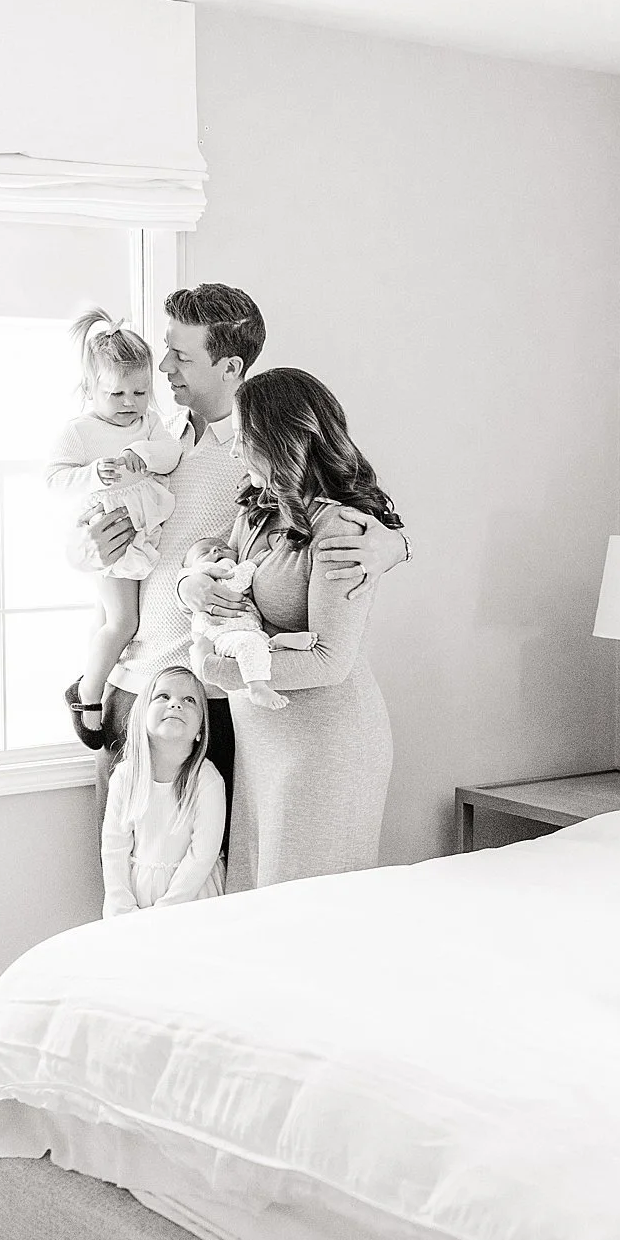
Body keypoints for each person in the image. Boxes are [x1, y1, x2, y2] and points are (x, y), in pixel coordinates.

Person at [67, 284, 409, 803]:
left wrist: (394, 546)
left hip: (218, 700)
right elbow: (83, 521)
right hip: (133, 686)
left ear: (230, 367)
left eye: (180, 355)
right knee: (122, 867)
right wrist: (85, 550)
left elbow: (347, 510)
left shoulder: (268, 455)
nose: (162, 370)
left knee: (216, 875)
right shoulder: (146, 435)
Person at [180, 367, 400, 890]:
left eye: (244, 437)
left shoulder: (341, 531)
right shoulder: (260, 512)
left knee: (304, 914)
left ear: (280, 440)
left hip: (324, 746)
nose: (234, 450)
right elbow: (214, 561)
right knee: (257, 902)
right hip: (265, 740)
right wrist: (193, 583)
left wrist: (219, 670)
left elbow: (330, 661)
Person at [46, 310, 181, 736]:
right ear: (89, 389)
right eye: (117, 393)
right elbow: (54, 480)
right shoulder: (81, 431)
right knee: (123, 622)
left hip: (141, 528)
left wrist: (142, 453)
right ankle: (87, 698)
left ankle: (94, 686)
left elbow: (170, 454)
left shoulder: (150, 422)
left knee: (106, 618)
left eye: (141, 391)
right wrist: (92, 474)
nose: (130, 403)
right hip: (113, 534)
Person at [100, 667, 225, 917]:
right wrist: (123, 907)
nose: (176, 704)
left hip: (193, 898)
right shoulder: (126, 777)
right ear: (142, 714)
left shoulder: (206, 780)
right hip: (136, 895)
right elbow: (114, 848)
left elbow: (203, 855)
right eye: (163, 697)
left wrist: (166, 912)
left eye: (189, 700)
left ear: (201, 728)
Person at [180, 534, 315, 711]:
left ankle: (274, 643)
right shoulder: (206, 575)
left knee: (254, 650)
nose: (216, 550)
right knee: (248, 647)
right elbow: (235, 580)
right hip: (222, 637)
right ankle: (257, 688)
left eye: (222, 547)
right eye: (204, 552)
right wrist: (253, 563)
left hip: (248, 630)